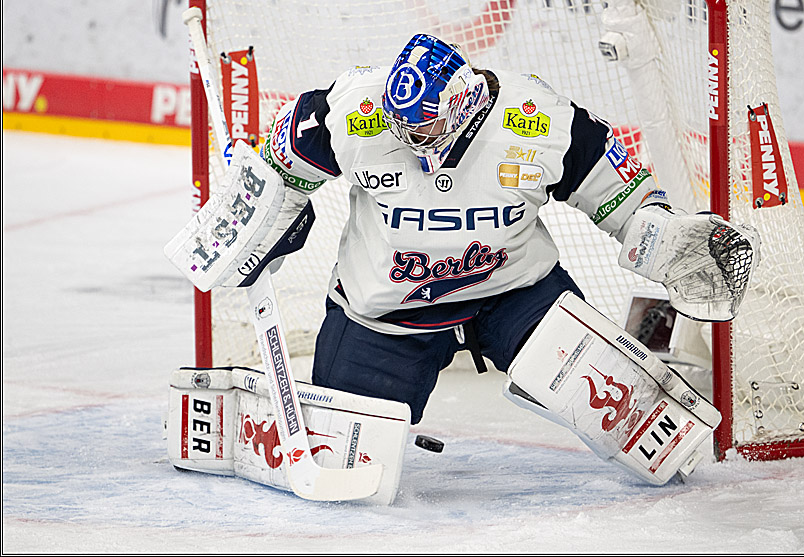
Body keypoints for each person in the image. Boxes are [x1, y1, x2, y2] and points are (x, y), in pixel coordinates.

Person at [257, 32, 759, 482]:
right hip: (387, 312)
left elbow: (619, 193)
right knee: (341, 459)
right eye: (401, 126)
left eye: (425, 129)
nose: (410, 140)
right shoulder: (350, 109)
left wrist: (664, 237)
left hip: (514, 294)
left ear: (464, 105)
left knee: (651, 435)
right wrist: (259, 226)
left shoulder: (540, 118)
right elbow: (278, 166)